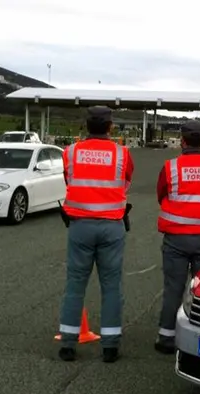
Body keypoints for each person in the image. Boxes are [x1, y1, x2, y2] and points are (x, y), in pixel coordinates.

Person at [57, 105, 134, 363]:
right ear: (110, 127)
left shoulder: (70, 152)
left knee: (75, 284)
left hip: (80, 226)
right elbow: (125, 183)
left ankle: (68, 343)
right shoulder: (123, 154)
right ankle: (110, 346)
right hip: (112, 225)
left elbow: (70, 180)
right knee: (111, 285)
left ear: (86, 125)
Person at [154, 120, 200, 354]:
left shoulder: (170, 167)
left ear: (182, 142)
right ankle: (199, 339)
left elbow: (161, 194)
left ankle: (166, 337)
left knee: (173, 288)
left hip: (176, 239)